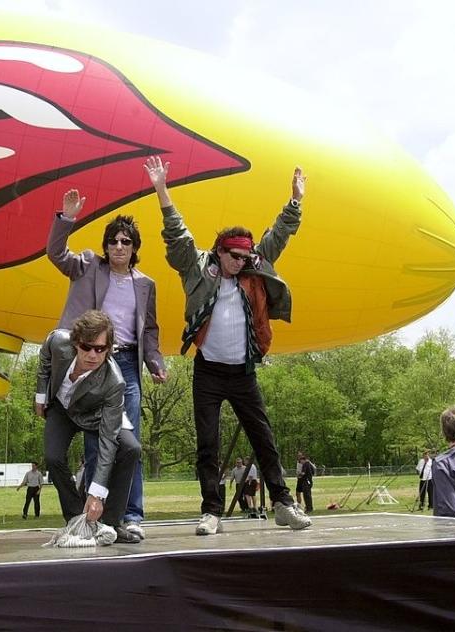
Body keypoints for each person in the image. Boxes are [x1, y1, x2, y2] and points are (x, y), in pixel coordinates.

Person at [143, 155, 311, 533]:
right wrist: (161, 191)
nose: (241, 262)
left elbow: (279, 234)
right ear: (220, 252)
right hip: (209, 371)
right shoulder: (199, 269)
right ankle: (212, 512)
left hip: (243, 372)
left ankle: (283, 504)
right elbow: (177, 235)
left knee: (263, 438)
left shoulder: (253, 268)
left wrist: (296, 200)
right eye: (234, 256)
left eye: (245, 257)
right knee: (208, 443)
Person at [47, 189, 167, 540]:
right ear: (106, 246)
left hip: (126, 364)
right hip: (88, 359)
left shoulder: (145, 285)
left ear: (134, 247)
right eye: (113, 241)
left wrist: (155, 361)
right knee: (93, 441)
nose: (118, 246)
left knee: (128, 441)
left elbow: (151, 330)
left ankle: (130, 514)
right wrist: (66, 218)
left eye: (125, 241)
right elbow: (56, 253)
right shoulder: (86, 267)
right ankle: (89, 518)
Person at [35, 310, 142, 544]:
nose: (93, 354)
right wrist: (40, 395)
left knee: (131, 448)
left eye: (101, 349)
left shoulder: (115, 382)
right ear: (75, 343)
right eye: (87, 347)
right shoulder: (58, 341)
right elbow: (44, 359)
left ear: (109, 348)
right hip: (62, 408)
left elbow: (108, 442)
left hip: (97, 415)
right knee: (53, 457)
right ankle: (76, 519)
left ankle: (111, 523)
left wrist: (97, 493)